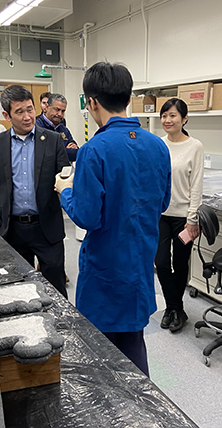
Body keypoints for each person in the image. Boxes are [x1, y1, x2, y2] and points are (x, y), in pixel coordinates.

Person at [55, 62, 171, 376]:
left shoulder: (94, 150)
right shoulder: (158, 146)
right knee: (134, 348)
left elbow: (87, 216)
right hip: (139, 267)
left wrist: (65, 191)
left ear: (91, 102)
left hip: (105, 272)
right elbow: (162, 202)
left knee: (100, 356)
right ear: (128, 96)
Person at [0, 85, 69, 298]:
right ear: (6, 114)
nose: (27, 116)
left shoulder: (52, 140)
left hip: (46, 227)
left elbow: (64, 179)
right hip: (12, 229)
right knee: (17, 289)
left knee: (55, 289)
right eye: (19, 112)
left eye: (30, 109)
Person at [155, 98, 204, 333]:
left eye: (172, 115)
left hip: (184, 216)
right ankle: (175, 307)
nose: (167, 120)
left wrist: (192, 218)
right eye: (164, 115)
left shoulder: (195, 146)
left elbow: (196, 186)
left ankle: (173, 309)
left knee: (180, 263)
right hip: (161, 214)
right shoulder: (158, 145)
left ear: (184, 119)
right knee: (161, 262)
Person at [35, 93, 80, 162]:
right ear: (46, 107)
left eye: (63, 111)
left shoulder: (63, 129)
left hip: (63, 171)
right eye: (57, 109)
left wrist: (60, 151)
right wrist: (66, 150)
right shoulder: (37, 126)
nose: (60, 114)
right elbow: (45, 155)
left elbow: (76, 152)